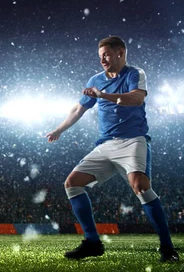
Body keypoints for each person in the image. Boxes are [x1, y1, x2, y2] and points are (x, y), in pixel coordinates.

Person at [45, 36, 179, 262]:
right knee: (72, 184)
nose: (103, 60)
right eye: (100, 56)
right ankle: (93, 242)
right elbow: (79, 108)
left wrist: (103, 95)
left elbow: (136, 99)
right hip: (106, 143)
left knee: (140, 186)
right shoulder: (96, 79)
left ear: (121, 53)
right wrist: (59, 129)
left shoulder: (135, 73)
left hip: (133, 140)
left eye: (107, 54)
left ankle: (167, 247)